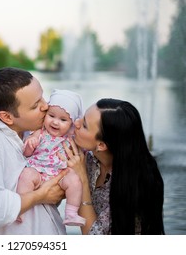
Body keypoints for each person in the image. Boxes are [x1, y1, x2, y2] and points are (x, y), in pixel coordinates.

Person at [0, 67, 68, 235]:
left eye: (42, 98)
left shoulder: (35, 133)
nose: (46, 106)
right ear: (7, 117)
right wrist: (40, 195)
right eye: (35, 106)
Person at [60, 98, 165, 235]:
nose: (76, 123)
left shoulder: (135, 186)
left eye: (84, 125)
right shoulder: (91, 160)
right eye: (82, 117)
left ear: (101, 145)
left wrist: (83, 180)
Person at [17, 89, 85, 226]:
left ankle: (71, 213)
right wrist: (30, 145)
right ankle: (19, 208)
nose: (55, 122)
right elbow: (27, 154)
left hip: (60, 175)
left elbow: (84, 150)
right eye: (51, 116)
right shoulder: (39, 132)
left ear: (71, 123)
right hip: (39, 171)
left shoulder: (71, 138)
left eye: (63, 120)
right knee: (26, 175)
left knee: (74, 180)